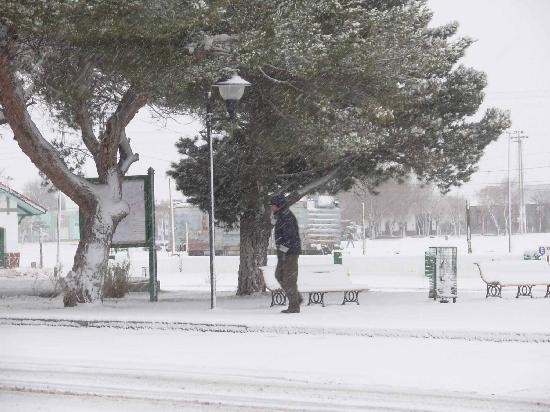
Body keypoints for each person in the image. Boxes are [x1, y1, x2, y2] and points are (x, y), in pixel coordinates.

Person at [271, 194, 303, 313]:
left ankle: (294, 306)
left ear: (278, 205)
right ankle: (297, 298)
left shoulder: (286, 217)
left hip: (290, 253)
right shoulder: (279, 216)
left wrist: (283, 252)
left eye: (273, 205)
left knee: (289, 279)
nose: (272, 208)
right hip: (284, 252)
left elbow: (290, 237)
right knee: (279, 275)